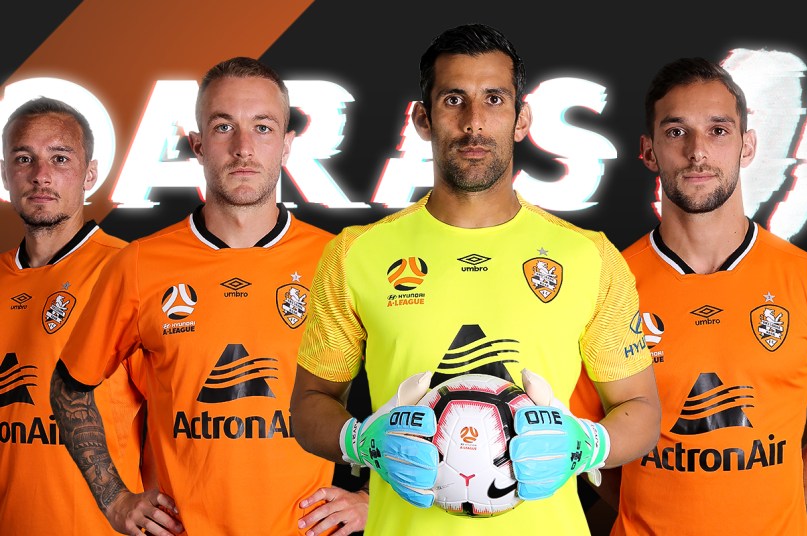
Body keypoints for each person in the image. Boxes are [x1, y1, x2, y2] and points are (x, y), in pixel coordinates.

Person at [290, 23, 661, 536]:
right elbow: (308, 407)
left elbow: (641, 409)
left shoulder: (588, 256)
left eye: (494, 99)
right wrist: (361, 441)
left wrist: (585, 445)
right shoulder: (357, 253)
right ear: (423, 119)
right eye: (453, 100)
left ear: (521, 118)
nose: (474, 122)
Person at [49, 57, 368, 536]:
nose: (243, 148)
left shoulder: (337, 260)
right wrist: (115, 500)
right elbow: (69, 385)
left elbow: (407, 377)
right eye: (223, 127)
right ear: (198, 144)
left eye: (262, 127)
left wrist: (371, 498)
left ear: (286, 145)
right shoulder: (139, 264)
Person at [608, 57, 807, 535]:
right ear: (648, 151)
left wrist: (776, 516)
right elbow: (589, 443)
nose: (697, 151)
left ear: (746, 145)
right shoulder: (609, 284)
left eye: (718, 131)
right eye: (676, 132)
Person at [0, 97, 146, 535]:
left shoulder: (128, 270)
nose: (41, 175)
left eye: (60, 158)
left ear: (90, 174)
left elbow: (179, 417)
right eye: (24, 158)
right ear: (5, 174)